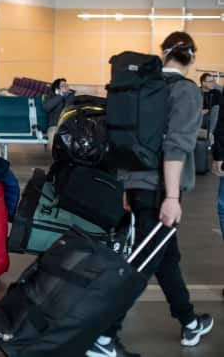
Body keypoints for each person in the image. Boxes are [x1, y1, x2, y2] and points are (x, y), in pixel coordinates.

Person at [87, 32, 213, 357]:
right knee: (140, 265)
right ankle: (105, 338)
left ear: (164, 53)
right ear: (191, 57)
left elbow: (127, 140)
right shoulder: (185, 91)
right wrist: (172, 197)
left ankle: (188, 321)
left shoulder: (144, 87)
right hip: (161, 191)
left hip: (136, 185)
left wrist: (126, 187)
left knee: (166, 258)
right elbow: (175, 147)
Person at [200, 73, 221, 142]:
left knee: (216, 108)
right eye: (210, 82)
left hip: (212, 119)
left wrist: (208, 110)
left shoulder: (217, 93)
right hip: (199, 118)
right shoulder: (196, 92)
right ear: (203, 83)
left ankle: (210, 133)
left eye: (214, 81)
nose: (213, 83)